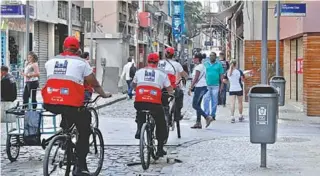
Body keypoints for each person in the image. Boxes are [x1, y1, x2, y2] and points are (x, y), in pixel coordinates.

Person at [41, 36, 111, 175]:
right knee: (84, 128)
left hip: (50, 103)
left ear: (63, 47)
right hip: (72, 104)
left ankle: (64, 139)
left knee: (66, 114)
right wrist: (103, 94)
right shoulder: (82, 63)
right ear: (78, 49)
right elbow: (93, 83)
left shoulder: (50, 61)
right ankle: (80, 165)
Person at [132, 52, 173, 157]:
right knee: (161, 123)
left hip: (140, 101)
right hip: (154, 103)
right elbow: (169, 88)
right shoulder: (162, 73)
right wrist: (171, 94)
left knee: (140, 110)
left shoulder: (139, 71)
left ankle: (139, 128)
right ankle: (159, 149)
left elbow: (134, 84)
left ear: (147, 61)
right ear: (158, 62)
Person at [158, 47, 188, 124]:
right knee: (180, 94)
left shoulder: (159, 63)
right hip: (170, 88)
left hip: (159, 87)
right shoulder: (176, 64)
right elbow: (184, 75)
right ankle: (177, 115)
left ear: (165, 54)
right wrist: (186, 77)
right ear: (173, 55)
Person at [188, 54, 213, 129]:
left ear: (198, 59)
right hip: (203, 86)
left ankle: (207, 117)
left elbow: (196, 78)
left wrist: (190, 87)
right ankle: (198, 123)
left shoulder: (199, 67)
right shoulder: (202, 66)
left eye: (194, 58)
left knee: (194, 105)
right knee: (198, 104)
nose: (193, 59)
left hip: (199, 87)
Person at [203, 52, 224, 121]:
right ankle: (207, 114)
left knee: (214, 101)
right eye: (210, 56)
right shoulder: (205, 64)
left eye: (213, 56)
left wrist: (222, 85)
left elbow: (221, 75)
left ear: (215, 57)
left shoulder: (219, 65)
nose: (211, 57)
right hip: (207, 85)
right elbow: (203, 74)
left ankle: (213, 114)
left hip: (216, 85)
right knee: (206, 99)